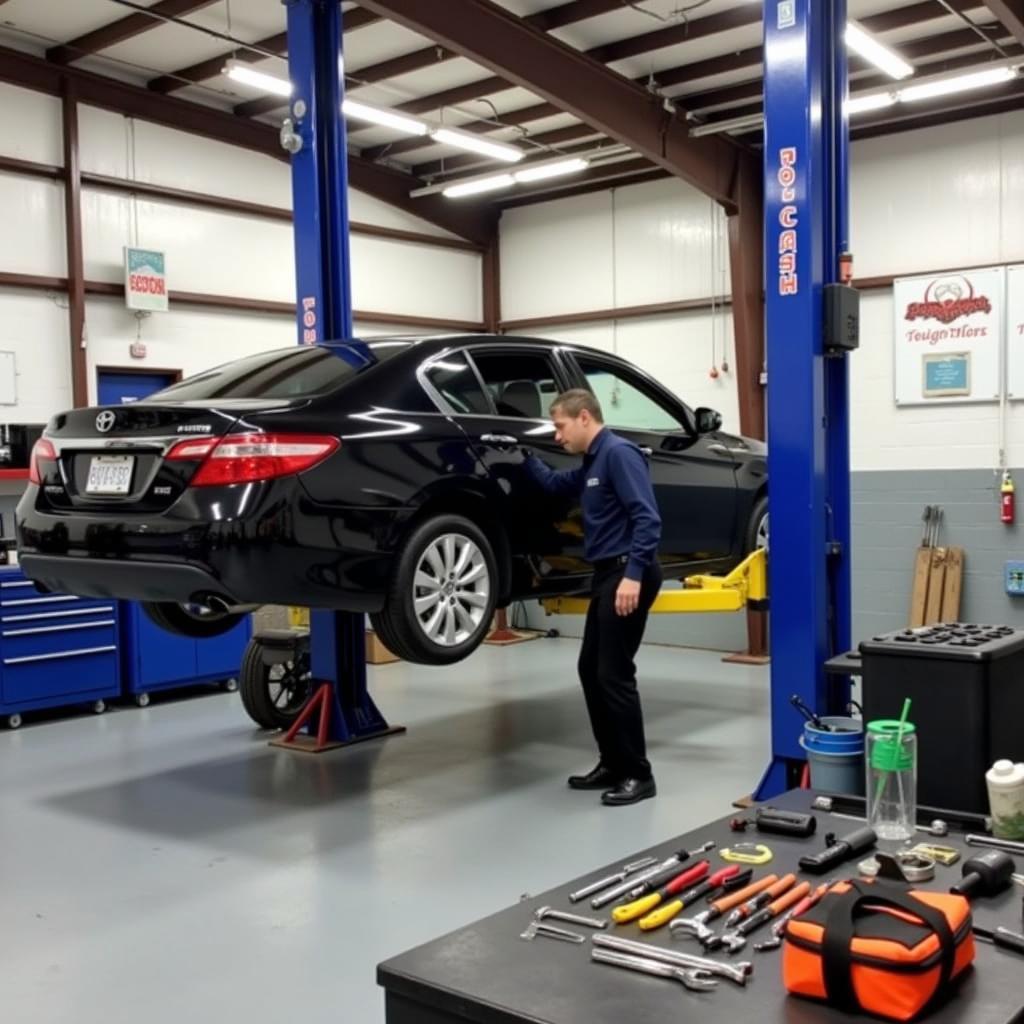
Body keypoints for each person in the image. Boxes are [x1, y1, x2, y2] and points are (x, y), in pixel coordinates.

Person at [524, 389, 663, 806]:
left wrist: (634, 575)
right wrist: (521, 455)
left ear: (584, 417)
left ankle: (639, 774)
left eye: (560, 426)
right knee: (591, 669)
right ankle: (612, 763)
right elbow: (553, 484)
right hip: (608, 573)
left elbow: (647, 517)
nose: (556, 436)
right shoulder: (592, 462)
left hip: (627, 574)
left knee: (614, 674)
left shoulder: (619, 454)